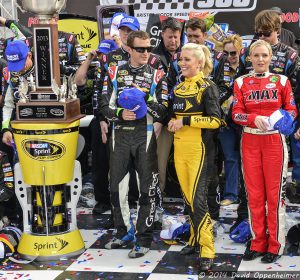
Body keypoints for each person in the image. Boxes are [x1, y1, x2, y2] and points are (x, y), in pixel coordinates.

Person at [99, 30, 168, 258]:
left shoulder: (158, 75)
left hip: (145, 136)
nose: (146, 53)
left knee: (146, 189)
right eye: (140, 49)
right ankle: (124, 232)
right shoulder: (114, 71)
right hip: (120, 135)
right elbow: (103, 105)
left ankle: (144, 238)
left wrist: (145, 97)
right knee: (116, 188)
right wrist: (119, 113)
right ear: (129, 49)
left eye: (149, 48)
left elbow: (163, 110)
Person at [234, 9, 300, 230]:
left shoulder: (291, 55)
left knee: (276, 187)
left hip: (280, 129)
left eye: (267, 33)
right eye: (259, 33)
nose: (262, 38)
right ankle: (249, 227)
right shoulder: (248, 52)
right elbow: (240, 87)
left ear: (278, 30)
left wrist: (296, 123)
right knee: (250, 185)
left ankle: (277, 233)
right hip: (251, 129)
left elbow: (297, 94)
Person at [167, 17, 225, 246]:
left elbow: (216, 121)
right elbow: (177, 115)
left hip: (200, 151)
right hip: (179, 149)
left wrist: (186, 121)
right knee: (188, 200)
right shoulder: (179, 87)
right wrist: (173, 121)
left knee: (199, 201)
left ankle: (207, 250)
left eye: (187, 59)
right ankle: (194, 241)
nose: (182, 62)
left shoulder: (208, 86)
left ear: (199, 63)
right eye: (181, 59)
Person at [152, 17, 182, 193]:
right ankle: (158, 196)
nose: (173, 41)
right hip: (164, 119)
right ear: (162, 35)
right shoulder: (154, 57)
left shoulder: (187, 54)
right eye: (170, 36)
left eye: (176, 37)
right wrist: (162, 119)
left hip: (186, 120)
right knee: (160, 161)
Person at [218, 34, 243, 206]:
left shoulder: (248, 66)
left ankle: (249, 195)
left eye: (233, 53)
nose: (230, 57)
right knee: (230, 157)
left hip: (245, 120)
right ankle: (231, 194)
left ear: (240, 51)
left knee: (248, 159)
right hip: (224, 120)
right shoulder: (219, 66)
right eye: (226, 53)